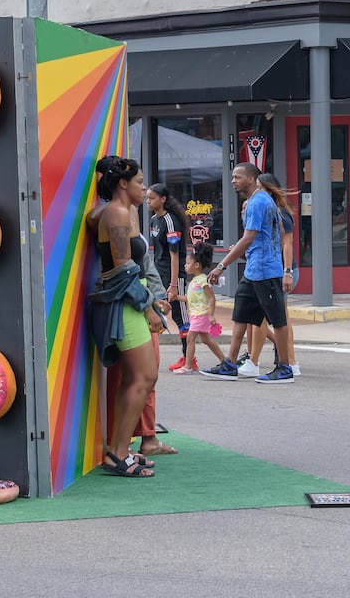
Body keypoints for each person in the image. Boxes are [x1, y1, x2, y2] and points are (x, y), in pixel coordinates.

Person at [86, 155, 161, 477]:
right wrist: (149, 308)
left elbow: (92, 219)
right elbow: (122, 269)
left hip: (129, 299)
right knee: (145, 377)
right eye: (140, 182)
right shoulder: (117, 212)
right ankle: (118, 454)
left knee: (133, 379)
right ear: (122, 183)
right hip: (126, 303)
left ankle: (121, 448)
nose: (144, 188)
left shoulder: (117, 211)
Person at [203, 163, 295, 384]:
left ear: (252, 179)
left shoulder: (258, 202)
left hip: (265, 270)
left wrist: (221, 265)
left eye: (238, 177)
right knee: (240, 315)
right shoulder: (258, 200)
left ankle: (284, 368)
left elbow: (249, 237)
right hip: (254, 270)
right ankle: (230, 364)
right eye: (233, 176)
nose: (233, 180)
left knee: (278, 321)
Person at [246, 173, 300, 376]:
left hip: (280, 270)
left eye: (259, 187)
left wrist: (287, 272)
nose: (255, 191)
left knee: (276, 317)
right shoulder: (265, 210)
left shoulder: (280, 213)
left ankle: (285, 361)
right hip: (270, 269)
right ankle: (272, 360)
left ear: (268, 189)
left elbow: (287, 243)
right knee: (270, 316)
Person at [146, 183, 190, 367]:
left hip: (174, 275)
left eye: (152, 198)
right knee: (157, 309)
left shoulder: (170, 221)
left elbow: (174, 255)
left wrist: (173, 284)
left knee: (181, 316)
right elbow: (158, 251)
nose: (148, 201)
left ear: (162, 199)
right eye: (147, 198)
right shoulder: (153, 219)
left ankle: (189, 357)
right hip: (159, 273)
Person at [178, 242, 227, 374]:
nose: (185, 266)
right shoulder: (194, 281)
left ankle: (188, 366)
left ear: (197, 265)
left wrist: (211, 315)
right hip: (195, 315)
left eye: (187, 264)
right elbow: (190, 299)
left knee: (190, 338)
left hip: (202, 314)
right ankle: (224, 360)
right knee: (206, 340)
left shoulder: (203, 280)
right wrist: (177, 297)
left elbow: (211, 298)